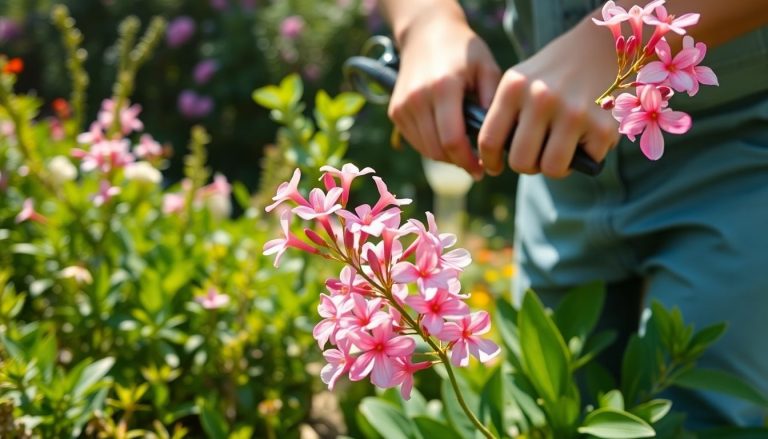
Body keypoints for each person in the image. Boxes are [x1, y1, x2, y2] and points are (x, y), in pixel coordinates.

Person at [379, 0, 768, 428]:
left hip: (740, 144)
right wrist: (426, 22)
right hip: (554, 151)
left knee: (704, 421)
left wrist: (606, 47)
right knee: (547, 412)